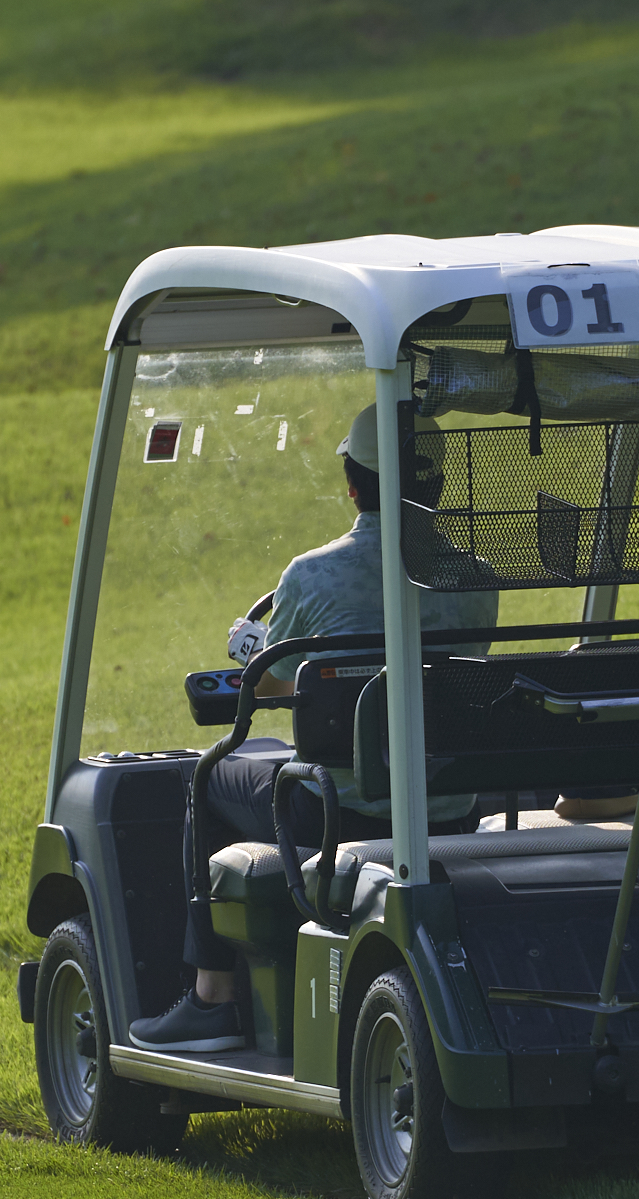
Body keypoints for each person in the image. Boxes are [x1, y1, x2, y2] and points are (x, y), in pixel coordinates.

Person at [129, 407, 496, 1053]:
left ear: (353, 484)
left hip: (338, 809)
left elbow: (277, 683)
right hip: (449, 806)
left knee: (206, 776)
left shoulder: (312, 575)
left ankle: (213, 996)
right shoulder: (476, 577)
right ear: (436, 484)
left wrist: (252, 648)